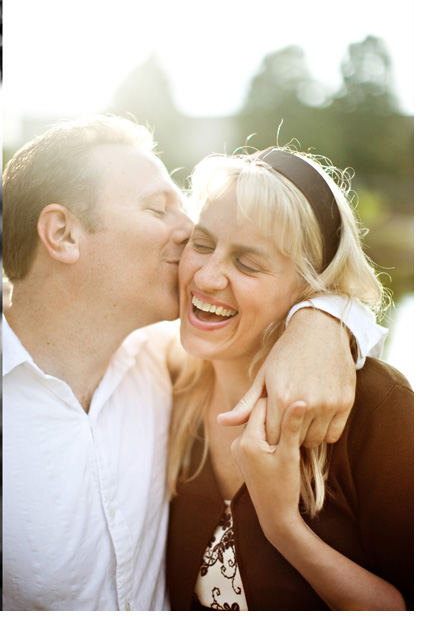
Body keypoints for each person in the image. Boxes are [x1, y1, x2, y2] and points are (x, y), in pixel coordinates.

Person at [1, 116, 386, 610]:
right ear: (63, 234)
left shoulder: (162, 363)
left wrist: (325, 318)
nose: (188, 230)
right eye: (159, 208)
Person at [166, 148, 412, 610]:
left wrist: (283, 527)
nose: (208, 274)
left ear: (310, 289)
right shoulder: (167, 386)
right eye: (202, 244)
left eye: (247, 263)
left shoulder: (381, 409)